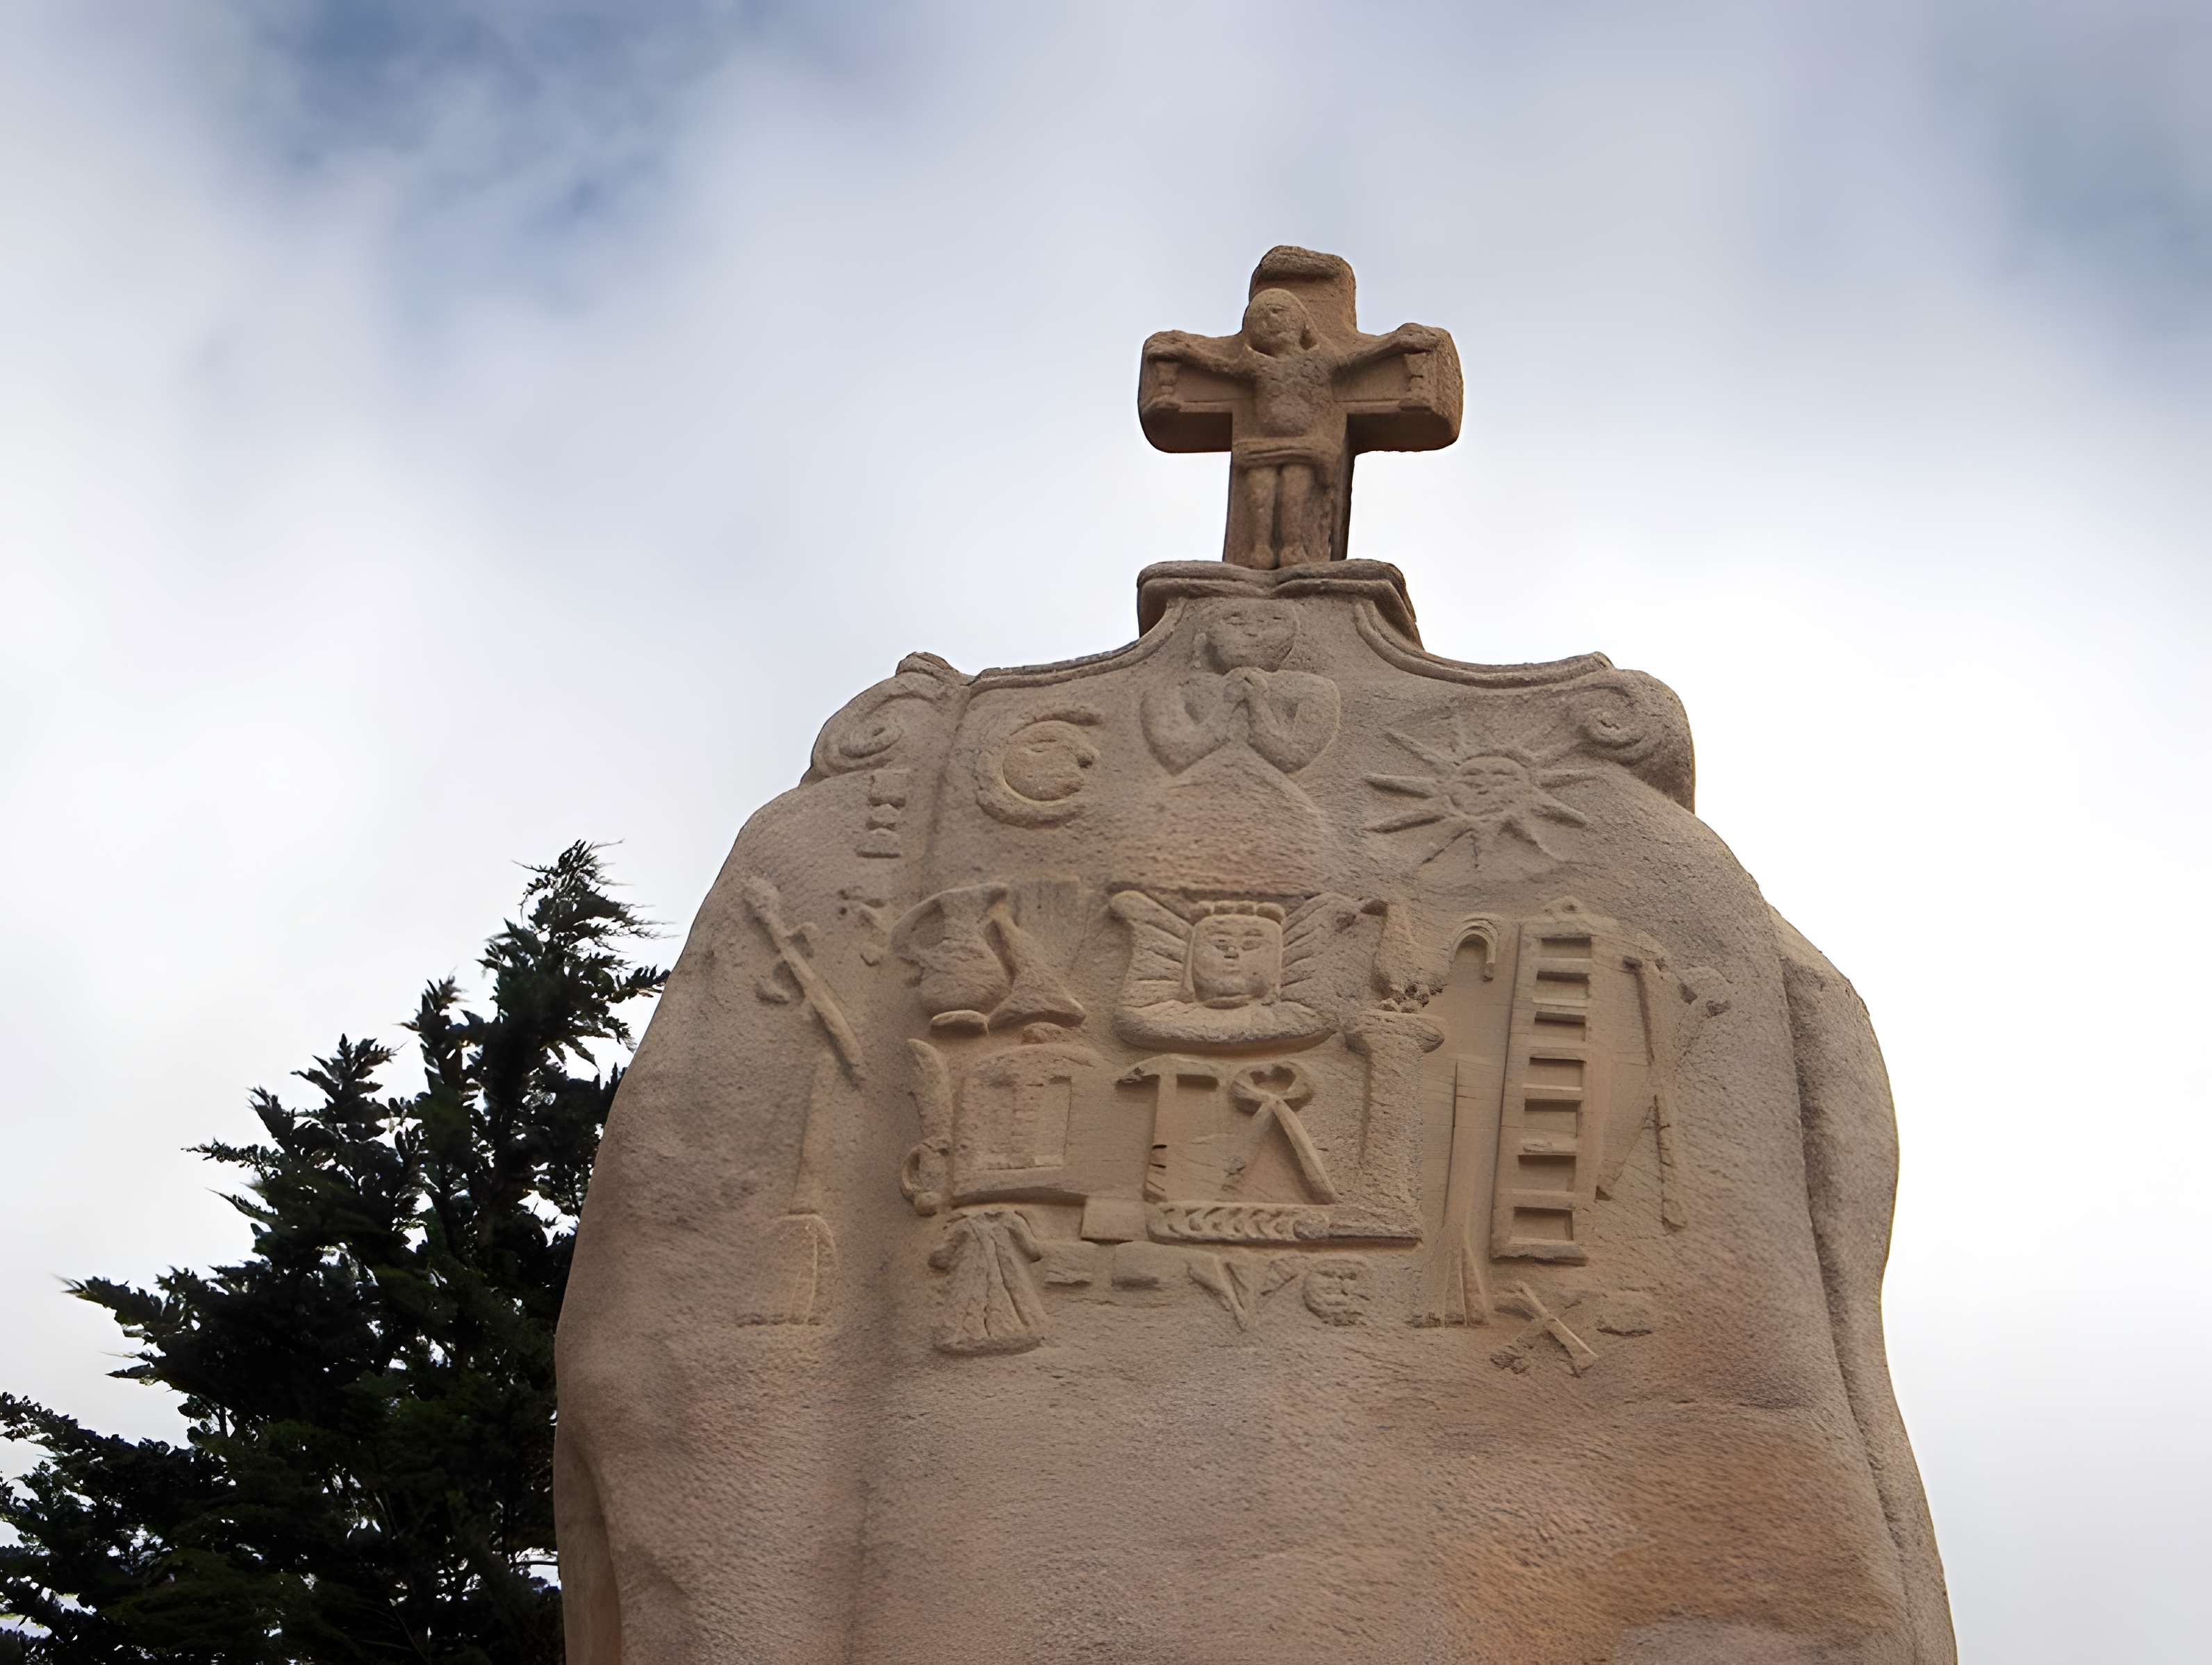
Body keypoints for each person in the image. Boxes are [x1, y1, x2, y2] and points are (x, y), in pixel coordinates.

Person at [1147, 289, 1440, 567]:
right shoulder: (1255, 364)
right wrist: (1185, 354)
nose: (1271, 322)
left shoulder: (1322, 360)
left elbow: (1360, 360)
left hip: (1305, 448)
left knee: (1293, 494)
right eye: (1262, 318)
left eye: (1278, 312)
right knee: (1261, 495)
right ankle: (1260, 549)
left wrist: (1394, 344)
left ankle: (1293, 548)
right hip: (1261, 448)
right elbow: (1219, 367)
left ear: (1301, 321)